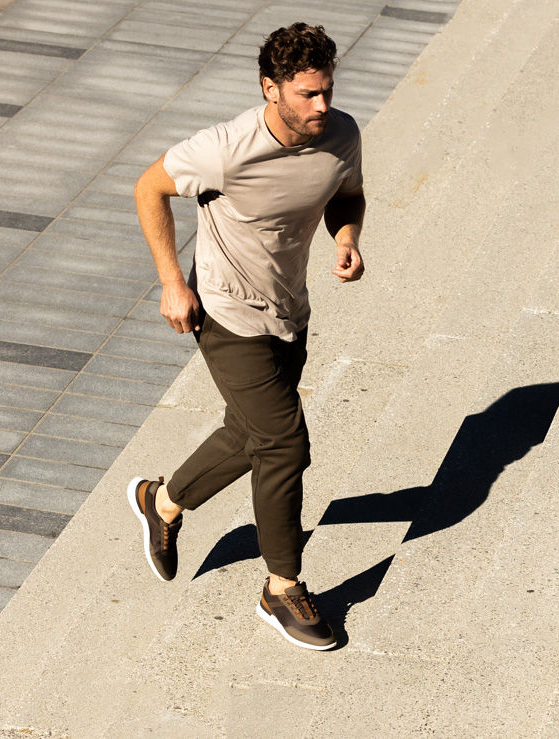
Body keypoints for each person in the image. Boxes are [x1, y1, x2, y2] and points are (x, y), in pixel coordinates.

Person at [127, 22, 365, 651]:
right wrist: (171, 282)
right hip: (227, 315)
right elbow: (147, 188)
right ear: (271, 89)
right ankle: (281, 589)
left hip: (291, 311)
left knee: (250, 432)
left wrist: (346, 238)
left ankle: (163, 500)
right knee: (285, 444)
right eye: (309, 94)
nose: (323, 106)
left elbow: (348, 194)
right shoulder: (225, 149)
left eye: (328, 91)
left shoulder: (340, 134)